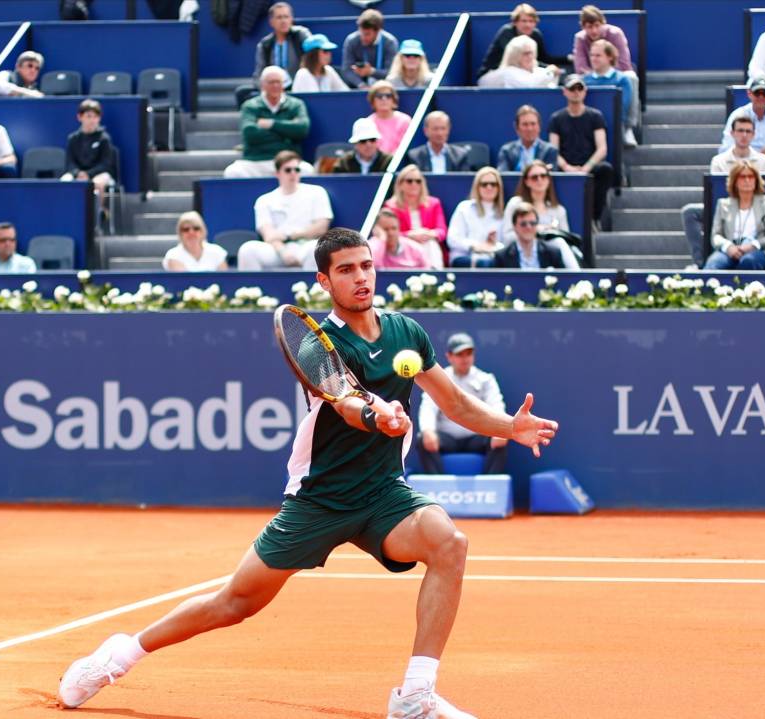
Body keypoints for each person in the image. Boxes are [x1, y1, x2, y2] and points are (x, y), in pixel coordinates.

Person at [57, 226, 559, 718]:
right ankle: (118, 656)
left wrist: (509, 427)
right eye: (346, 270)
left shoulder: (407, 331)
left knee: (449, 543)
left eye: (366, 266)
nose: (361, 277)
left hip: (384, 493)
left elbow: (454, 402)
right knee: (234, 603)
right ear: (325, 282)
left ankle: (415, 696)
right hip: (320, 499)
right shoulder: (319, 344)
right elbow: (346, 407)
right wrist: (377, 415)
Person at [678, 114, 765, 267]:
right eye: (740, 131)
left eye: (748, 131)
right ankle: (701, 262)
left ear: (753, 135)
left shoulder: (763, 161)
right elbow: (717, 193)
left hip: (752, 209)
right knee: (689, 212)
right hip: (724, 208)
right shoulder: (719, 161)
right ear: (732, 133)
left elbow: (762, 192)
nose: (744, 135)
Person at [418, 332, 508, 475]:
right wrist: (428, 431)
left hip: (477, 436)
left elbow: (497, 404)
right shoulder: (439, 378)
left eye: (469, 353)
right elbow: (428, 407)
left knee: (501, 436)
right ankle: (438, 489)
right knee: (423, 438)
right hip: (447, 438)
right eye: (460, 354)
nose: (465, 358)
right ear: (449, 356)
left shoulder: (486, 379)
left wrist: (502, 429)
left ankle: (490, 490)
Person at [238, 150, 333, 271]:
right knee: (248, 249)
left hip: (306, 245)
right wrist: (284, 252)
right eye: (288, 170)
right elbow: (268, 234)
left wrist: (290, 235)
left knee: (317, 248)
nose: (293, 173)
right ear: (277, 173)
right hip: (277, 249)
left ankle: (314, 290)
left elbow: (321, 227)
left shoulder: (317, 192)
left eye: (297, 170)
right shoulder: (264, 200)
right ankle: (251, 290)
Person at [548, 73, 612, 226]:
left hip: (589, 166)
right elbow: (553, 150)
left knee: (605, 170)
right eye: (572, 88)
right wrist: (567, 167)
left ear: (585, 91)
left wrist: (586, 168)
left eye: (579, 88)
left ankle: (594, 218)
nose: (576, 92)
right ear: (565, 91)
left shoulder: (596, 116)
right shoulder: (556, 118)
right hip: (565, 166)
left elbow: (602, 148)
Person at [225, 67, 310, 179]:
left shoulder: (296, 104)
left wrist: (271, 124)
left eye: (278, 82)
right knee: (232, 172)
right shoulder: (250, 106)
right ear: (263, 85)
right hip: (255, 161)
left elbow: (302, 129)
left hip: (287, 161)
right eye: (271, 82)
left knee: (308, 170)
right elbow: (250, 133)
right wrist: (287, 131)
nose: (275, 86)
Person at [701, 161, 765, 271]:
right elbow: (715, 236)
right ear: (735, 181)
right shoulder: (723, 204)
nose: (747, 180)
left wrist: (754, 245)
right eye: (742, 177)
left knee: (748, 261)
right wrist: (728, 247)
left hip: (759, 250)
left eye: (751, 177)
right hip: (731, 249)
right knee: (714, 264)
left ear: (756, 180)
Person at [500, 160, 581, 268]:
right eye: (534, 177)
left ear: (548, 179)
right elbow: (506, 237)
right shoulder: (515, 204)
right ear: (526, 181)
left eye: (543, 176)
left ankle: (575, 278)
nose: (539, 180)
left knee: (559, 242)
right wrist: (535, 231)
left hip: (549, 258)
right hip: (520, 254)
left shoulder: (558, 210)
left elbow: (566, 239)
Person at [573, 5, 639, 129]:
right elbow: (580, 67)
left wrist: (606, 73)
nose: (594, 31)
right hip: (592, 75)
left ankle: (627, 126)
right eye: (589, 27)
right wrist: (596, 74)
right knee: (574, 80)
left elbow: (624, 63)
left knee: (631, 77)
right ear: (583, 27)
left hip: (616, 73)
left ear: (603, 23)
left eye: (597, 25)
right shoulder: (579, 38)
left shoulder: (616, 33)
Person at [477, 3, 568, 81]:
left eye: (531, 21)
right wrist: (548, 69)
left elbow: (543, 59)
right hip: (493, 74)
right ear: (515, 22)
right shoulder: (506, 32)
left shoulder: (536, 35)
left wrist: (568, 59)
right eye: (524, 21)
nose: (527, 25)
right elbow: (517, 60)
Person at [383, 165, 448, 268]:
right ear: (400, 184)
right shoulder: (391, 206)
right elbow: (387, 233)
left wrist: (428, 233)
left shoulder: (434, 203)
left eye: (418, 181)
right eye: (409, 181)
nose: (414, 184)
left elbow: (442, 231)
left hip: (429, 244)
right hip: (404, 247)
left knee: (430, 244)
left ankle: (434, 273)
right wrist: (410, 235)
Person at [718, 77, 765, 164]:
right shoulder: (737, 115)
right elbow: (726, 147)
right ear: (749, 93)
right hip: (743, 162)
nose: (761, 97)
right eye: (757, 93)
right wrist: (756, 156)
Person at [446, 166, 506, 268]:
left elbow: (507, 244)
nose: (489, 187)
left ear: (499, 188)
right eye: (484, 184)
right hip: (464, 256)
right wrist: (476, 246)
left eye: (493, 184)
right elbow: (453, 239)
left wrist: (494, 245)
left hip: (492, 258)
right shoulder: (465, 207)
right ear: (477, 187)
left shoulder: (504, 212)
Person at [583, 39, 636, 147]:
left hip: (613, 124)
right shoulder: (584, 81)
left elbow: (622, 106)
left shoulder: (622, 79)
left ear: (610, 57)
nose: (593, 59)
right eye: (592, 55)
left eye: (598, 55)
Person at [61, 99, 116, 202]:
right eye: (89, 116)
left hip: (100, 174)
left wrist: (88, 174)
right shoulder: (72, 139)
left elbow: (106, 164)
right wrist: (78, 173)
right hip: (77, 174)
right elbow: (69, 163)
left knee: (97, 183)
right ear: (79, 117)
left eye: (96, 117)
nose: (92, 120)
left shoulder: (104, 139)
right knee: (65, 180)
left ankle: (98, 214)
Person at [493, 201, 566, 268]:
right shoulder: (502, 256)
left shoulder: (553, 253)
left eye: (532, 223)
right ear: (514, 227)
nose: (528, 227)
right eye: (523, 224)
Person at [341, 8, 398, 89]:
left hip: (384, 89)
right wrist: (361, 85)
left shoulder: (390, 42)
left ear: (378, 31)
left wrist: (371, 72)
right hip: (357, 89)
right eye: (361, 32)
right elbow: (347, 70)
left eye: (367, 34)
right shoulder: (351, 41)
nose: (363, 37)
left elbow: (391, 73)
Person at [253, 2, 311, 79]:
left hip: (299, 86)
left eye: (286, 17)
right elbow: (259, 75)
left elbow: (313, 61)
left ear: (291, 19)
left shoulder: (301, 35)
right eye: (279, 17)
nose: (283, 21)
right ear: (271, 22)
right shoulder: (265, 45)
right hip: (274, 89)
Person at [478, 34, 559, 89]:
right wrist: (550, 72)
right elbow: (530, 86)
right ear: (514, 56)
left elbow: (550, 86)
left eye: (531, 53)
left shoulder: (538, 71)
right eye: (525, 54)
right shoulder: (508, 72)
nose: (530, 57)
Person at [496, 104, 558, 172]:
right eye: (525, 124)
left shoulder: (549, 150)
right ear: (517, 127)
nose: (529, 129)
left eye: (533, 124)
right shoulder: (506, 151)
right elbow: (503, 175)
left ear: (539, 126)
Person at [406, 111, 472, 174]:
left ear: (448, 130)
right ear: (425, 131)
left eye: (443, 128)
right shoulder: (414, 156)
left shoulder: (460, 155)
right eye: (435, 129)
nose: (439, 133)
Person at [366, 80, 411, 155]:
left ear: (394, 100)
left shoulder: (405, 120)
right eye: (379, 96)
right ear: (372, 101)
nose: (384, 99)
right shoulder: (368, 122)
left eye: (388, 96)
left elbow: (406, 147)